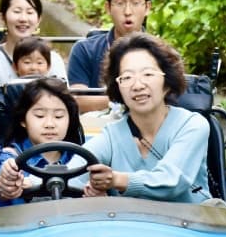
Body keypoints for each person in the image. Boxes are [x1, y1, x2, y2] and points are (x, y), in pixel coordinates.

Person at [81, 33, 211, 203]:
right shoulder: (112, 135)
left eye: (148, 75)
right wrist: (37, 181)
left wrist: (116, 180)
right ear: (118, 87)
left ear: (167, 82)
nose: (137, 85)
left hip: (191, 225)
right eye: (127, 77)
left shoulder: (192, 125)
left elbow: (171, 181)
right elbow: (75, 167)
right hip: (132, 227)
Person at [0, 0, 67, 122]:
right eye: (17, 11)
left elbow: (64, 105)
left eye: (30, 12)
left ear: (38, 19)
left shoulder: (53, 59)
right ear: (2, 16)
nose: (23, 18)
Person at [0, 78, 85, 206]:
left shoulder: (79, 159)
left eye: (58, 116)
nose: (50, 124)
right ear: (23, 120)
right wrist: (7, 181)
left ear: (69, 120)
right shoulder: (10, 157)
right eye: (40, 115)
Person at [68, 0, 153, 113]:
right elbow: (78, 100)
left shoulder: (160, 52)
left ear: (147, 8)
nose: (127, 11)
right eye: (119, 3)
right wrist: (129, 96)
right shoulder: (84, 50)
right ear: (108, 7)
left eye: (135, 3)